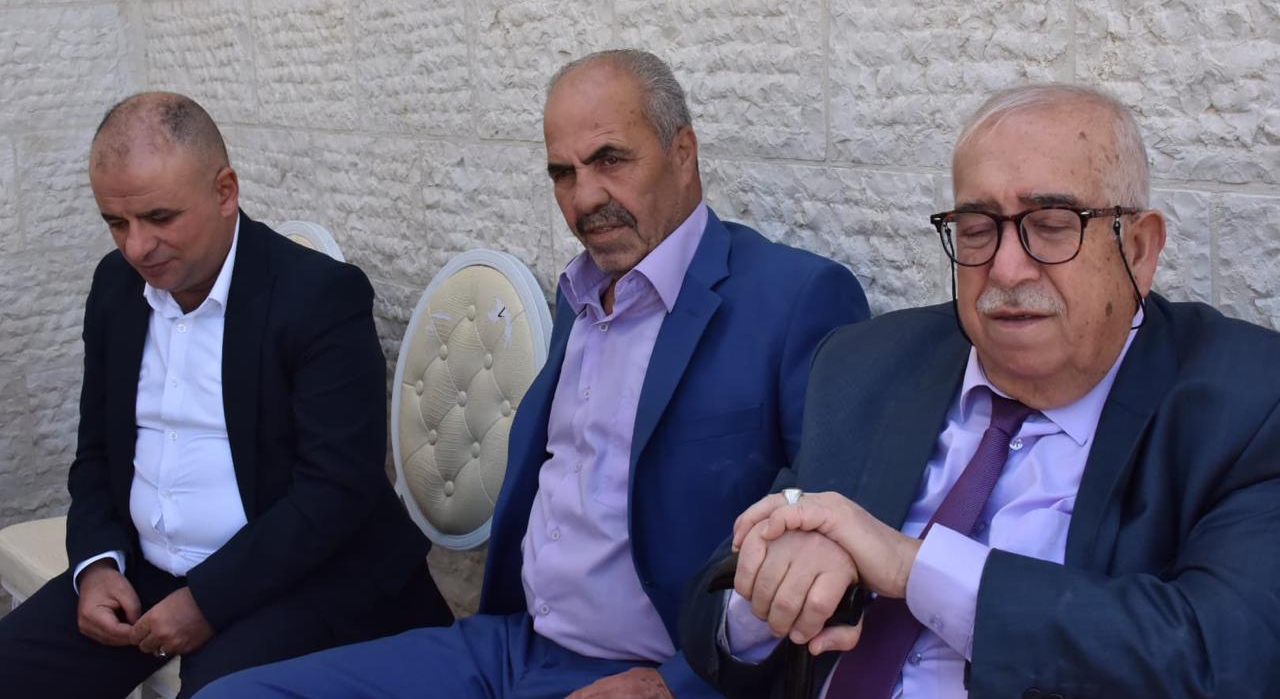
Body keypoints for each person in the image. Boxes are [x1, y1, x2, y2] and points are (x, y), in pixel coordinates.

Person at [197, 49, 870, 698]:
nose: (585, 197)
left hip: (652, 673)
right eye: (563, 173)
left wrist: (678, 684)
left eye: (610, 160)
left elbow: (826, 530)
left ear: (683, 152)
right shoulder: (581, 295)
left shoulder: (794, 299)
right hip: (509, 648)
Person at [681, 82, 1280, 698]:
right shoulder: (869, 362)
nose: (1006, 268)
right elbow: (710, 625)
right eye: (976, 229)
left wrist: (911, 567)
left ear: (1139, 247)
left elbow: (1224, 663)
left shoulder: (1250, 402)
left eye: (1052, 226)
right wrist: (775, 582)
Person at [0, 93, 452, 698]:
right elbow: (97, 455)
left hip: (297, 577)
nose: (137, 247)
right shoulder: (115, 288)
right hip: (146, 568)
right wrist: (98, 562)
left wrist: (208, 600)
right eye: (117, 223)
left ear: (225, 192)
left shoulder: (318, 296)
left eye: (160, 217)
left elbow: (337, 490)